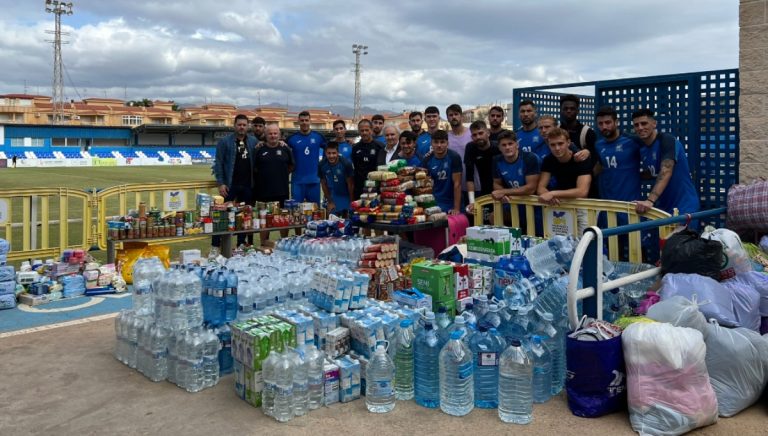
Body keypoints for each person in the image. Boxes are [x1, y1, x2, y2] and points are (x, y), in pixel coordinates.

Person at [632, 108, 700, 217]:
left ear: (654, 124)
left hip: (684, 207)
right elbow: (653, 172)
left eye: (644, 123)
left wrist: (650, 200)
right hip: (663, 208)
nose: (640, 128)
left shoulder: (667, 140)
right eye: (636, 125)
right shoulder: (643, 148)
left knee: (681, 235)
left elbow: (666, 170)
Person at [212, 114, 258, 248]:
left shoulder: (253, 141)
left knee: (244, 217)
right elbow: (218, 163)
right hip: (230, 185)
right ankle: (216, 245)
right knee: (222, 216)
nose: (242, 127)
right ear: (234, 125)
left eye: (244, 125)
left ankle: (240, 244)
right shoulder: (224, 142)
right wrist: (220, 183)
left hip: (248, 186)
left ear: (247, 126)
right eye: (239, 124)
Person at [537, 128, 592, 234]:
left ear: (568, 142)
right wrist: (549, 196)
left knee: (584, 244)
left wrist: (552, 194)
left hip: (584, 206)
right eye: (552, 145)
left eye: (560, 143)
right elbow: (540, 187)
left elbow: (582, 191)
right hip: (561, 206)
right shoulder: (549, 160)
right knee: (561, 244)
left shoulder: (580, 158)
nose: (557, 148)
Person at [254, 123, 295, 241]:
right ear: (265, 135)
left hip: (282, 191)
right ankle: (264, 244)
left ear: (279, 135)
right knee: (264, 220)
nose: (273, 136)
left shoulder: (285, 148)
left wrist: (280, 174)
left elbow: (292, 165)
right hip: (263, 192)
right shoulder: (259, 149)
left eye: (275, 133)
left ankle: (284, 243)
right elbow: (255, 168)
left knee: (283, 218)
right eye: (270, 133)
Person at [594, 106, 641, 202]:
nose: (604, 127)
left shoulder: (632, 141)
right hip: (606, 204)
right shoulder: (598, 145)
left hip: (629, 203)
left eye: (608, 122)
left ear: (616, 122)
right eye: (600, 123)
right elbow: (597, 169)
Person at [559, 94, 599, 198]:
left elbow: (596, 160)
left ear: (578, 111)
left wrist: (587, 153)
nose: (568, 111)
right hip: (561, 185)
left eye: (572, 108)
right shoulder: (555, 131)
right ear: (561, 110)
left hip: (583, 188)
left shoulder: (587, 132)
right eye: (565, 108)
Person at [286, 110, 327, 204]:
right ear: (298, 122)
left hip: (314, 181)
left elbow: (329, 149)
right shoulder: (291, 139)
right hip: (297, 182)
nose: (304, 122)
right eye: (302, 120)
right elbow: (282, 149)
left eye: (306, 120)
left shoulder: (318, 137)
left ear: (310, 121)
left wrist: (323, 164)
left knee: (315, 212)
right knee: (295, 210)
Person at [491, 130, 540, 200]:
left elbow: (531, 188)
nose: (507, 147)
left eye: (510, 144)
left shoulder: (530, 158)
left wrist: (503, 192)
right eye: (503, 145)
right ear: (499, 147)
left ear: (517, 145)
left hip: (532, 204)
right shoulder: (496, 160)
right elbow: (497, 183)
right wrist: (503, 195)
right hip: (512, 202)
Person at [422, 130, 462, 215]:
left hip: (451, 202)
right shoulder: (427, 160)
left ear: (447, 143)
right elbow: (426, 186)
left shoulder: (454, 157)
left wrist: (456, 208)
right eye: (436, 142)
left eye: (442, 142)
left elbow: (457, 184)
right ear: (431, 144)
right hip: (435, 203)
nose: (439, 145)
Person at [464, 120, 501, 213]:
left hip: (502, 190)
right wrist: (472, 202)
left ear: (488, 133)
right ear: (472, 137)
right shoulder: (470, 147)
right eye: (475, 135)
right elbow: (469, 177)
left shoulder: (498, 147)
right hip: (484, 192)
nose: (478, 137)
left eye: (480, 133)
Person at [446, 104, 473, 206]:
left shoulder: (471, 134)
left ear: (461, 116)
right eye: (450, 115)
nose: (453, 117)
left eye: (456, 114)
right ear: (447, 118)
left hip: (472, 182)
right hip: (454, 185)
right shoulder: (446, 137)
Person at [351, 119, 386, 199]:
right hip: (360, 187)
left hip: (375, 187)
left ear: (371, 130)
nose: (364, 133)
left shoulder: (380, 147)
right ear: (359, 131)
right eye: (362, 130)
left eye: (367, 130)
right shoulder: (355, 148)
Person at [319, 142, 354, 217]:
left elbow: (350, 184)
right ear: (325, 153)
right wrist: (330, 201)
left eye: (334, 153)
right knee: (331, 219)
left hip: (346, 195)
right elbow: (323, 184)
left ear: (338, 153)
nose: (331, 156)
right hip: (333, 195)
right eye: (329, 153)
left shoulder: (346, 164)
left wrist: (351, 202)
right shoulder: (321, 165)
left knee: (347, 220)